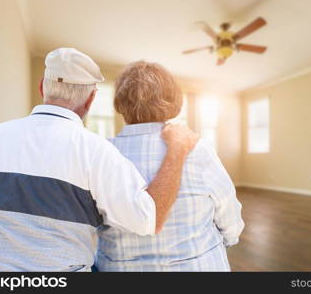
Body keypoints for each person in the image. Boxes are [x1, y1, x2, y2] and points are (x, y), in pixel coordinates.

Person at [0, 48, 198, 271]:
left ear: (42, 87)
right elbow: (149, 219)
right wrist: (177, 149)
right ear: (91, 99)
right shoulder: (95, 150)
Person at [96, 61, 244, 271]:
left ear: (120, 102)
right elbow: (229, 214)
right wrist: (229, 239)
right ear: (174, 100)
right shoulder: (197, 149)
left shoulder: (100, 153)